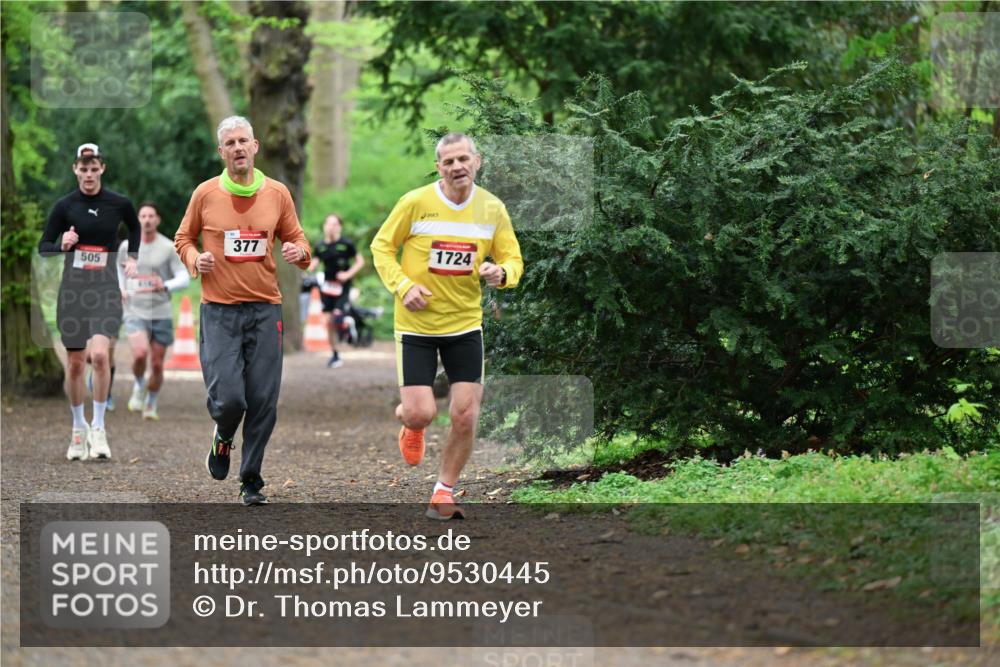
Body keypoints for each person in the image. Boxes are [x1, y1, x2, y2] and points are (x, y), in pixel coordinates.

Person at [371, 132, 523, 520]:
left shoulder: (492, 209)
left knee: (466, 414)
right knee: (421, 412)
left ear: (477, 161)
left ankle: (443, 492)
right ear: (439, 167)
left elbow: (513, 261)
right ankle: (411, 422)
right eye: (448, 161)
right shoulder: (416, 203)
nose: (457, 167)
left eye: (463, 159)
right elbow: (381, 247)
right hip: (417, 325)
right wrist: (403, 286)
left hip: (465, 325)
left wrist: (500, 272)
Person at [174, 115, 312, 506]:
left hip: (266, 309)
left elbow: (299, 241)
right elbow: (183, 237)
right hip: (219, 311)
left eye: (243, 141)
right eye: (230, 143)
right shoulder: (205, 194)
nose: (237, 148)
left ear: (256, 147)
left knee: (264, 400)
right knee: (231, 399)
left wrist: (299, 253)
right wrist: (194, 258)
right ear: (221, 152)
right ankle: (223, 435)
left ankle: (250, 479)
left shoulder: (277, 193)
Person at [38, 143, 139, 461]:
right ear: (75, 170)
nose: (89, 174)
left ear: (102, 169)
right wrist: (62, 245)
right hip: (73, 293)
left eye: (94, 168)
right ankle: (78, 428)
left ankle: (99, 427)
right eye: (84, 168)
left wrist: (133, 258)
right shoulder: (64, 206)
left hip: (106, 291)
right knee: (76, 363)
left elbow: (135, 227)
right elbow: (44, 246)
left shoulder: (118, 203)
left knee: (99, 356)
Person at [119, 201, 190, 420]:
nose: (147, 220)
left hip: (160, 310)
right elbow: (119, 269)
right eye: (143, 216)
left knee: (157, 363)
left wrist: (165, 285)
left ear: (158, 220)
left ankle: (151, 402)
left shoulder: (168, 247)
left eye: (151, 216)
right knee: (140, 354)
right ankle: (140, 385)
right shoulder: (126, 246)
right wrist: (121, 288)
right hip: (135, 310)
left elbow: (184, 277)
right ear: (138, 220)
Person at [307, 213, 364, 368]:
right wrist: (306, 269)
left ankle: (348, 323)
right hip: (327, 287)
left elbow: (360, 262)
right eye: (328, 224)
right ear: (324, 227)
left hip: (342, 287)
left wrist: (348, 274)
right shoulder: (320, 246)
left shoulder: (346, 244)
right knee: (328, 322)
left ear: (339, 227)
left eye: (334, 224)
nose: (330, 227)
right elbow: (314, 263)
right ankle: (335, 354)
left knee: (337, 315)